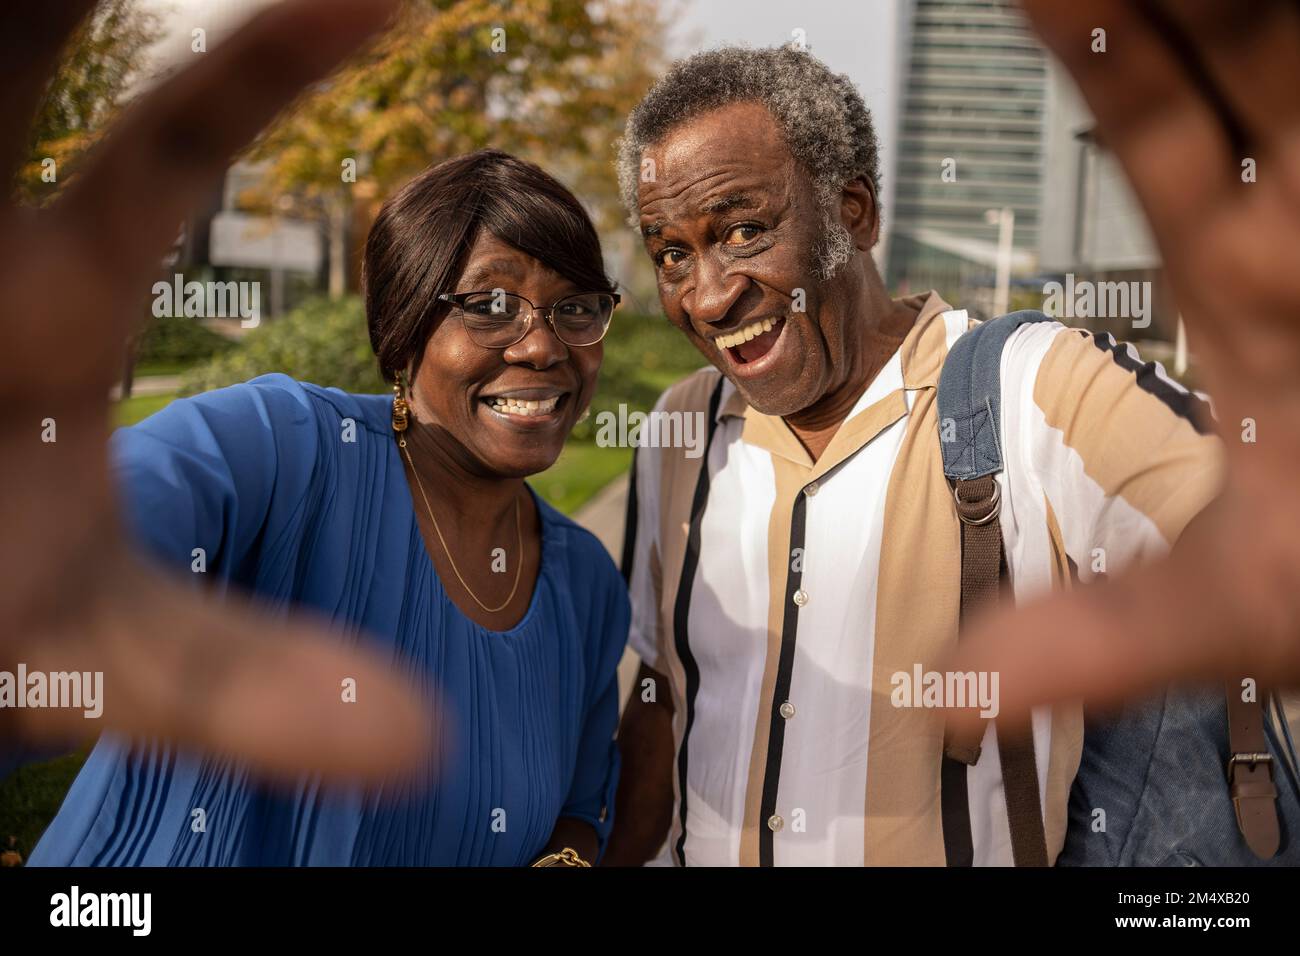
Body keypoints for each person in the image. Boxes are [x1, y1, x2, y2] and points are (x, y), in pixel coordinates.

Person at [605, 44, 1226, 866]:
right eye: (671, 253)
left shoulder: (1032, 385)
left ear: (854, 211)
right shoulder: (678, 430)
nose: (709, 294)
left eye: (746, 229)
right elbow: (663, 694)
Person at [23, 145, 629, 866]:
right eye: (490, 304)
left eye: (575, 308)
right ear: (404, 326)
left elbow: (576, 813)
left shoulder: (583, 584)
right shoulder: (283, 447)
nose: (542, 346)